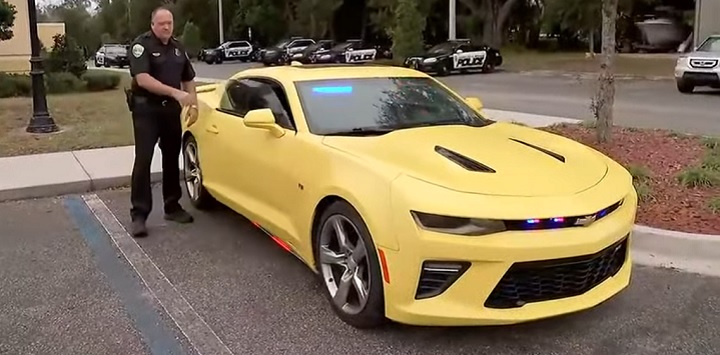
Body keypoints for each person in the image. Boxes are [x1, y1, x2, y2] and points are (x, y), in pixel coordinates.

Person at [126, 6, 197, 237]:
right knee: (144, 160)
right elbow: (143, 79)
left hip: (170, 112)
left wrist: (192, 104)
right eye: (162, 23)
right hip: (146, 110)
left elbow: (188, 78)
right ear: (153, 24)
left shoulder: (178, 47)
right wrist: (175, 93)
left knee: (171, 157)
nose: (166, 27)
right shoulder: (141, 46)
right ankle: (139, 214)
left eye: (170, 23)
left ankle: (172, 205)